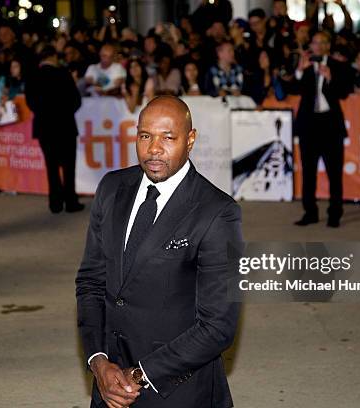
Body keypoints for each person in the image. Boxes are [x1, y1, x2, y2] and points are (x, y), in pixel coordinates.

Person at [76, 96, 243, 408]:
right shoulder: (112, 188)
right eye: (145, 136)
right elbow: (91, 282)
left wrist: (137, 376)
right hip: (108, 383)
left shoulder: (217, 212)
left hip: (177, 389)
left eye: (168, 137)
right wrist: (99, 362)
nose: (154, 149)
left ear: (190, 140)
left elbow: (218, 326)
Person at [293, 31, 352, 228]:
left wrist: (330, 78)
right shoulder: (305, 65)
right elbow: (295, 89)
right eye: (314, 42)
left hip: (330, 125)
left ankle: (335, 213)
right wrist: (300, 71)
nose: (317, 46)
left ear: (328, 45)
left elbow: (344, 93)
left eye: (321, 42)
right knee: (308, 172)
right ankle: (310, 212)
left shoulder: (338, 66)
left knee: (334, 173)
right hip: (309, 125)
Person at [25, 45, 83, 213]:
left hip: (44, 128)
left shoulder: (32, 76)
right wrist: (64, 113)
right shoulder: (63, 74)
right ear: (53, 57)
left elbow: (31, 103)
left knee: (51, 166)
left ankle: (55, 203)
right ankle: (71, 202)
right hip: (65, 127)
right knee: (68, 166)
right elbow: (76, 100)